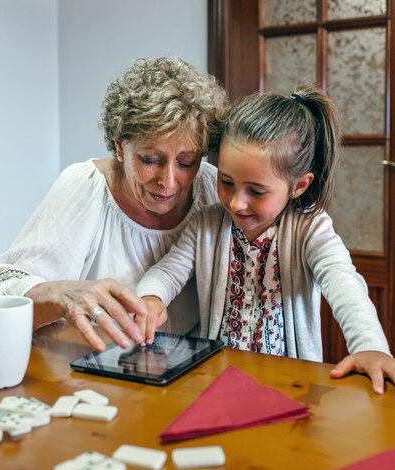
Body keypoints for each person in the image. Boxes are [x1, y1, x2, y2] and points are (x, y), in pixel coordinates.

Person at [136, 86, 395, 394]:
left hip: (290, 384)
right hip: (217, 378)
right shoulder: (207, 223)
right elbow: (169, 270)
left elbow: (345, 286)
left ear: (298, 185)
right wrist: (151, 297)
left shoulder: (310, 229)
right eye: (226, 182)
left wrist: (369, 345)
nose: (236, 203)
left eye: (256, 191)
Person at [0, 57, 227, 352]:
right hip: (95, 365)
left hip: (192, 370)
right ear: (120, 146)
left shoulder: (215, 189)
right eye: (151, 160)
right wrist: (62, 294)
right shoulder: (86, 187)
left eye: (187, 162)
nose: (169, 181)